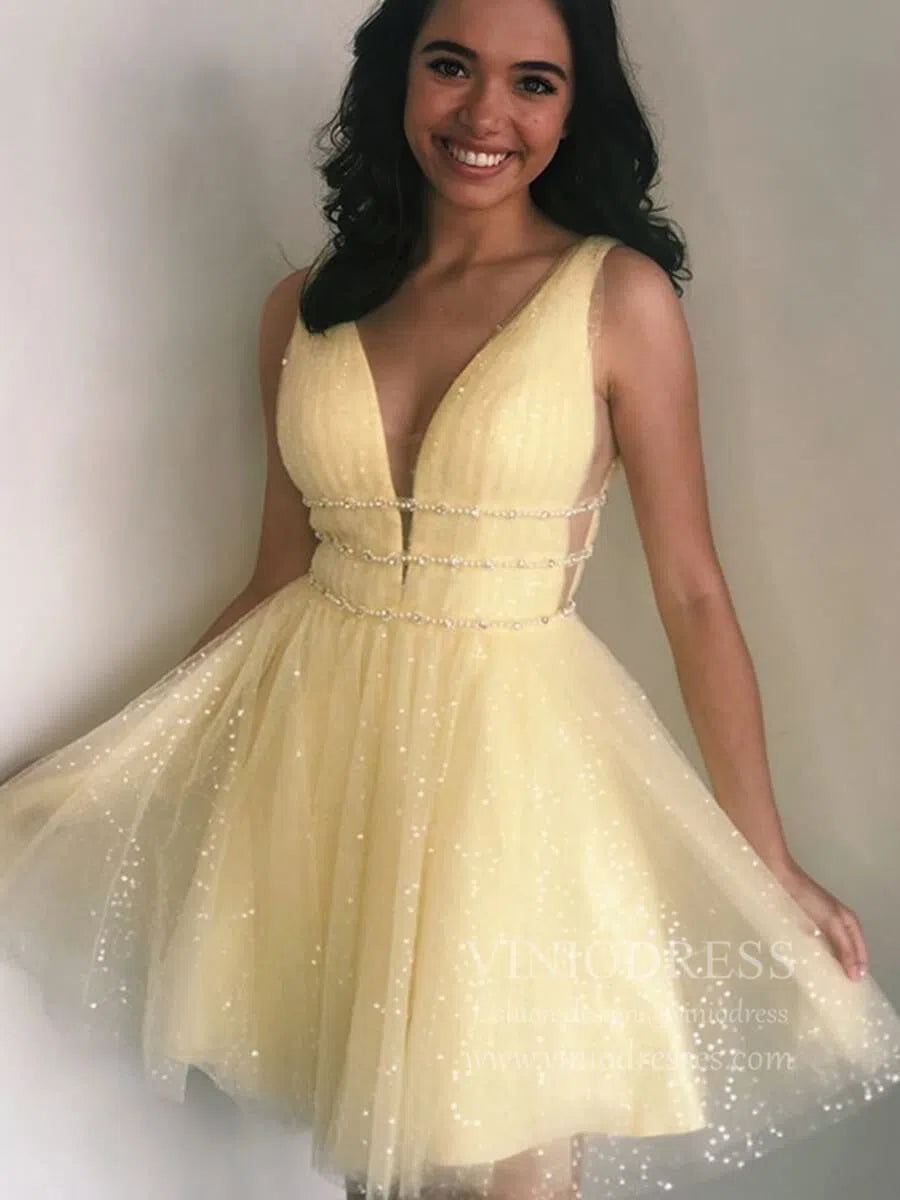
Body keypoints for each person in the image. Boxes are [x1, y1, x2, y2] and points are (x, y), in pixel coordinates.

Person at [1, 1, 898, 1198]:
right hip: (324, 774)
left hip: (509, 785)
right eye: (451, 65)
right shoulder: (302, 308)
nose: (485, 112)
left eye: (534, 81)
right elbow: (276, 577)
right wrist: (103, 775)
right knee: (388, 1159)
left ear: (575, 109)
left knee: (509, 1161)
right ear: (398, 78)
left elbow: (691, 591)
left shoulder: (616, 298)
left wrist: (766, 857)